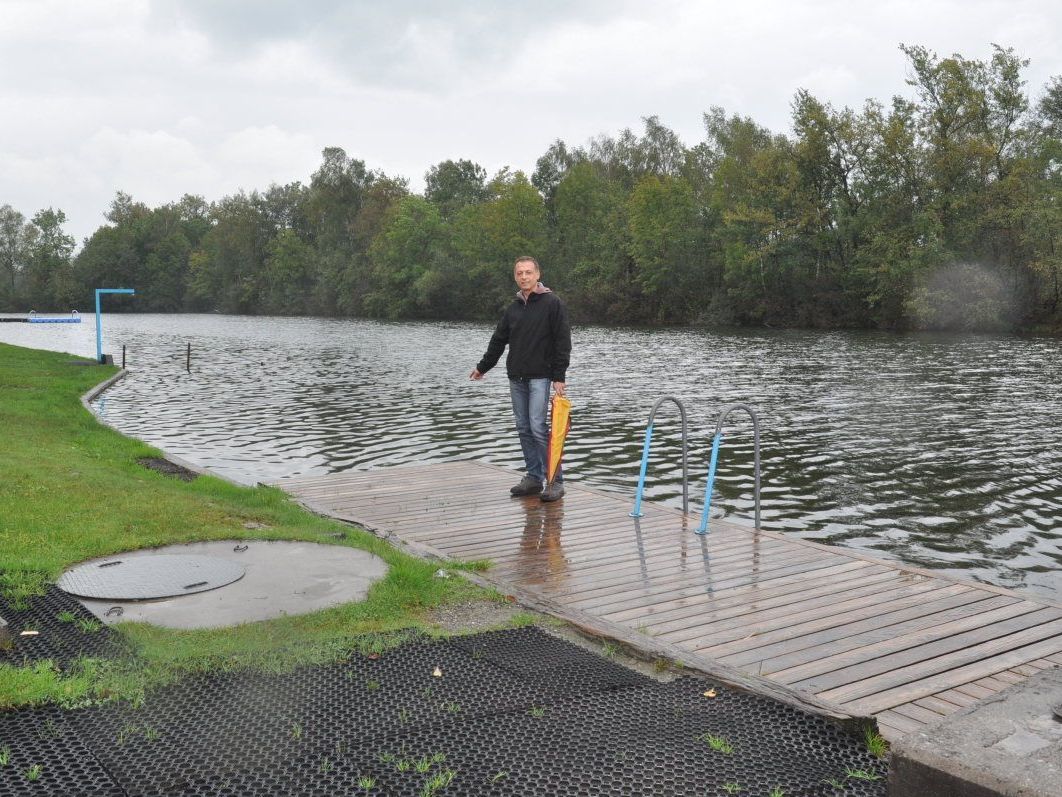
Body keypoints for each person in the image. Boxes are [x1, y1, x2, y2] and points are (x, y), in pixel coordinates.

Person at [470, 256, 571, 502]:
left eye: (528, 272)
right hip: (516, 377)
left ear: (537, 274)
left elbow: (562, 342)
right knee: (524, 427)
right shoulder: (513, 308)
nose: (524, 277)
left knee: (538, 427)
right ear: (516, 277)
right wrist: (483, 367)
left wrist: (559, 376)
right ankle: (534, 478)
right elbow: (498, 340)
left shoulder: (552, 303)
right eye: (519, 273)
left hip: (541, 376)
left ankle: (555, 481)